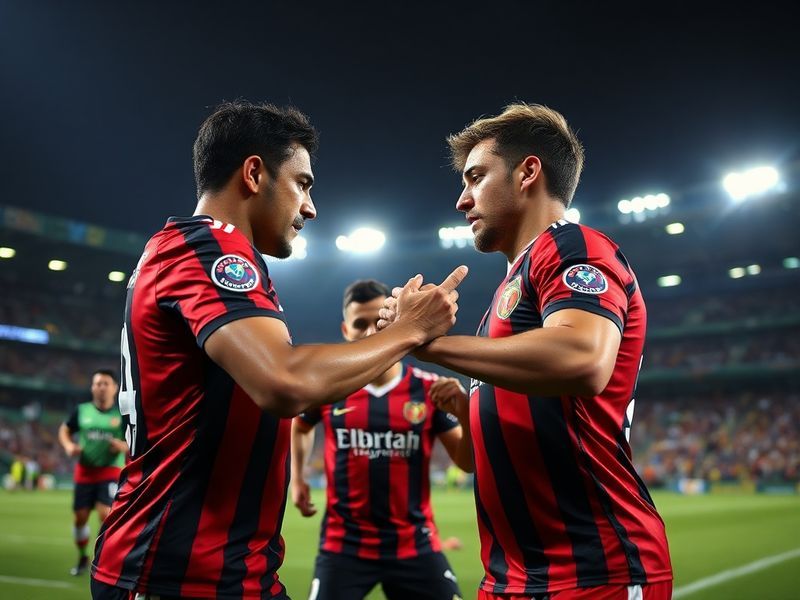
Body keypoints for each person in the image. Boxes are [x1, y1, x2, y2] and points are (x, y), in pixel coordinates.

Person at [90, 100, 467, 600]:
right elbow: (284, 382)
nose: (310, 207)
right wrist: (409, 331)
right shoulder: (207, 248)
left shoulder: (202, 251)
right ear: (253, 173)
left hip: (225, 571)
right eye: (303, 183)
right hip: (180, 573)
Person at [379, 103, 673, 600]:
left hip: (591, 571)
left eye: (475, 177)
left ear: (527, 172)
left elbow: (583, 356)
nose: (461, 200)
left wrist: (428, 342)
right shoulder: (509, 288)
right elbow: (488, 454)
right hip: (512, 576)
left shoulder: (573, 246)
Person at [291, 279, 471, 600]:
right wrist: (298, 478)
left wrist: (465, 412)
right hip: (343, 546)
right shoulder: (329, 388)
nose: (371, 333)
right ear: (346, 330)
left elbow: (467, 463)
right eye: (360, 324)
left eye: (378, 322)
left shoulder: (429, 389)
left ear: (394, 323)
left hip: (414, 545)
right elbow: (301, 425)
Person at [58, 369, 126, 576]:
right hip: (85, 471)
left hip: (110, 470)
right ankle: (82, 557)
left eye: (106, 383)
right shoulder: (82, 411)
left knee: (105, 515)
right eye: (98, 383)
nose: (102, 387)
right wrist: (69, 446)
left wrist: (123, 446)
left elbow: (134, 441)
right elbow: (65, 429)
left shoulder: (122, 414)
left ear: (114, 388)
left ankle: (101, 561)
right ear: (92, 388)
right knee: (80, 518)